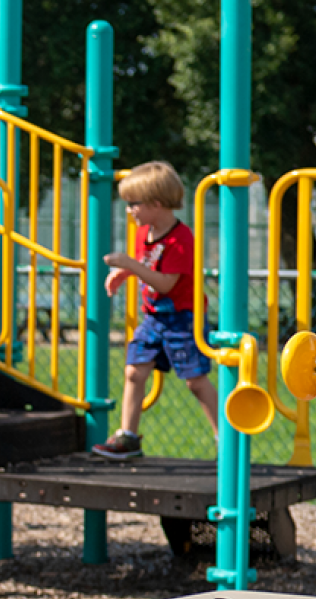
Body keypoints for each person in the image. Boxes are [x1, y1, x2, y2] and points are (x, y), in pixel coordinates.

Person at [91, 161, 219, 459]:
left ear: (156, 204)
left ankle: (223, 437)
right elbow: (148, 267)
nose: (130, 210)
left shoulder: (181, 239)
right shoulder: (143, 232)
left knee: (195, 381)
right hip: (154, 317)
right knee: (135, 371)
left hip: (182, 318)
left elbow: (164, 283)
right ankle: (128, 437)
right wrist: (123, 274)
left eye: (134, 204)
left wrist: (129, 265)